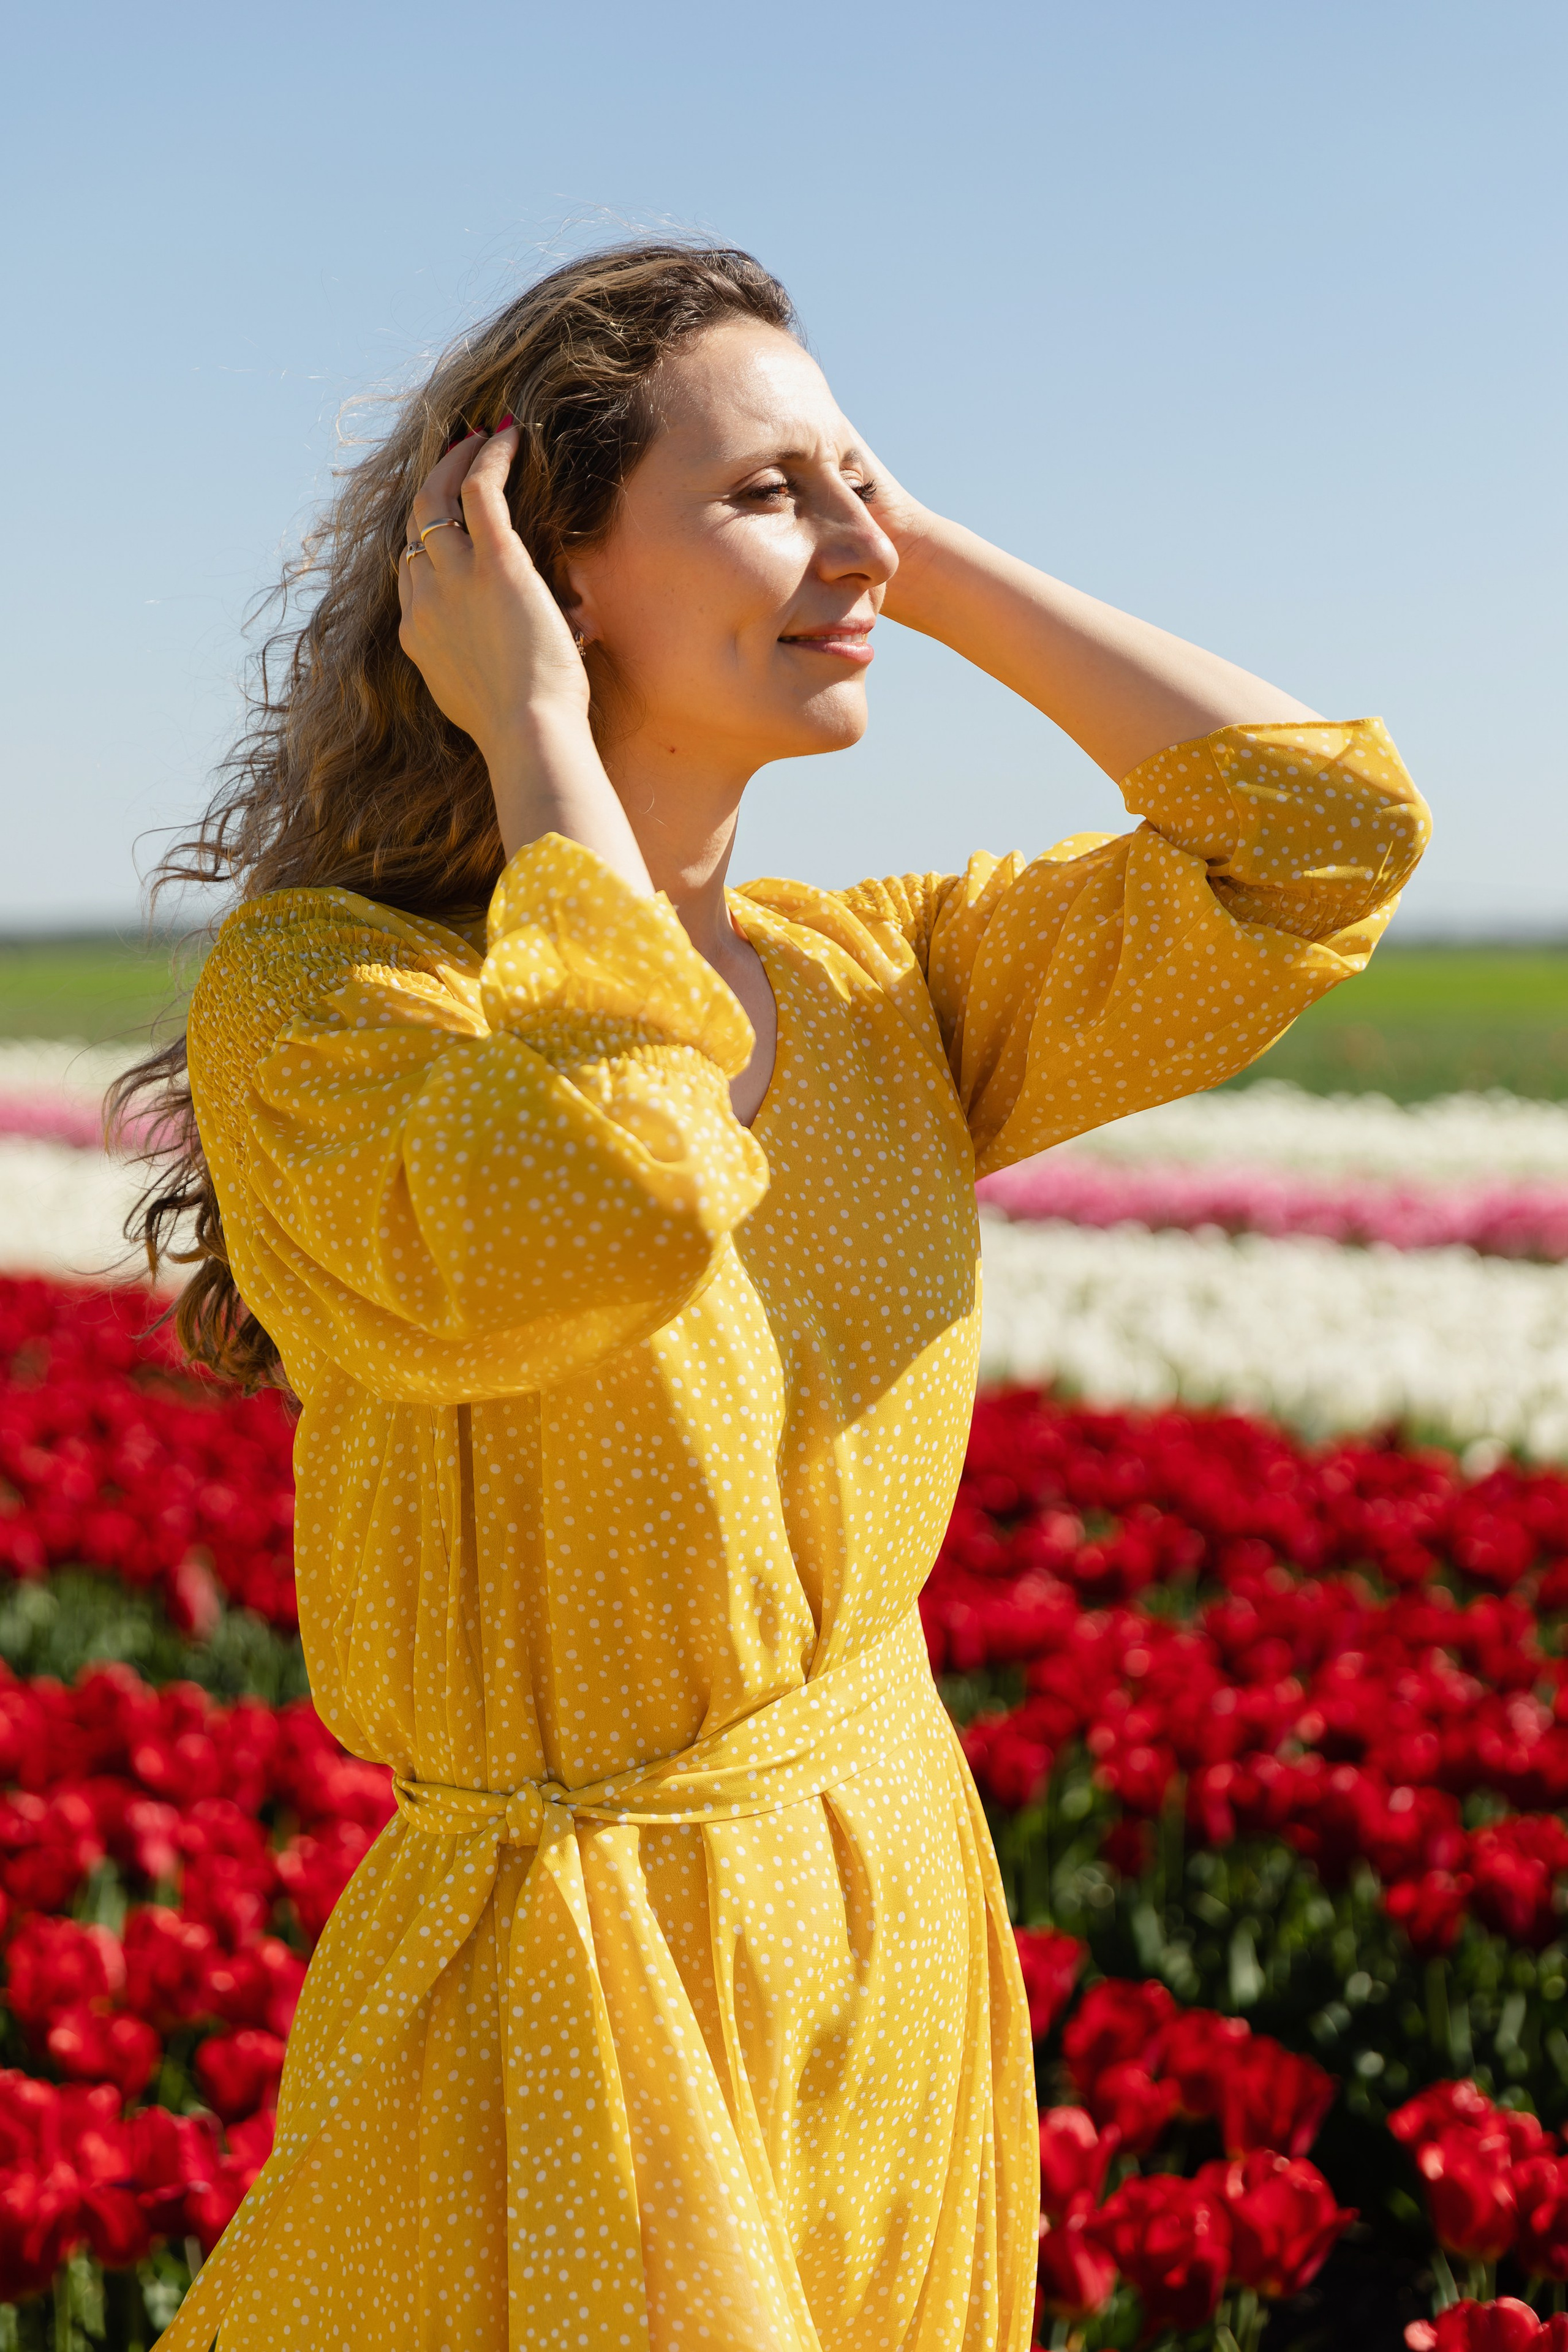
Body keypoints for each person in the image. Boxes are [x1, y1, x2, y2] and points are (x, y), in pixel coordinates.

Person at [126, 240, 1428, 2351]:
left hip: (889, 1925)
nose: (854, 544)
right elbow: (620, 1182)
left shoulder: (874, 980)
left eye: (861, 479)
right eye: (763, 492)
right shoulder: (339, 1002)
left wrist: (917, 555)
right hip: (582, 1977)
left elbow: (1327, 840)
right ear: (541, 570)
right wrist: (537, 734)